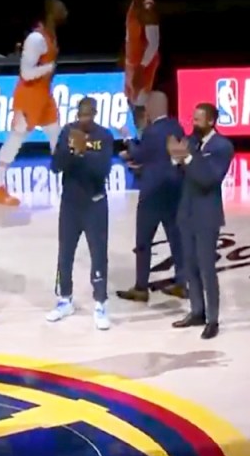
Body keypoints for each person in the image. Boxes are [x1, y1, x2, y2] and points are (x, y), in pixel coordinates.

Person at [0, 0, 68, 207]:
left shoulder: (50, 35)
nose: (65, 12)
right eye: (61, 8)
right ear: (50, 13)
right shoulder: (36, 38)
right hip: (29, 97)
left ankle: (71, 182)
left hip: (44, 95)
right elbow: (26, 73)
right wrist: (48, 68)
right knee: (16, 140)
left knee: (57, 136)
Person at [46, 97, 114, 330]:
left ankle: (100, 303)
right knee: (65, 253)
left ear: (94, 114)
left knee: (98, 254)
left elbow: (103, 170)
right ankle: (64, 299)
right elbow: (55, 166)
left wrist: (84, 153)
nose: (83, 119)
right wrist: (70, 151)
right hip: (70, 205)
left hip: (95, 205)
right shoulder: (67, 132)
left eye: (88, 115)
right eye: (80, 115)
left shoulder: (104, 136)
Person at [167, 103, 234, 340]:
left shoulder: (222, 146)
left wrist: (186, 158)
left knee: (206, 268)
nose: (193, 123)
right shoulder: (191, 142)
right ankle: (197, 311)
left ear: (211, 121)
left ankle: (212, 319)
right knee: (189, 266)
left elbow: (209, 179)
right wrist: (175, 159)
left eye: (198, 119)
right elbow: (179, 175)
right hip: (186, 213)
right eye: (193, 118)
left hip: (207, 216)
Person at [116, 91, 186, 302]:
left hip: (153, 194)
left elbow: (140, 155)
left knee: (144, 242)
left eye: (146, 107)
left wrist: (127, 138)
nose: (145, 111)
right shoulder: (176, 126)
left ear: (152, 108)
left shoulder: (152, 131)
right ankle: (182, 283)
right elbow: (161, 158)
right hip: (174, 192)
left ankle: (141, 287)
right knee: (176, 240)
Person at [125, 0, 160, 131]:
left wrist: (141, 67)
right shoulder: (133, 5)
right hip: (132, 63)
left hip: (142, 65)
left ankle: (148, 138)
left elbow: (153, 43)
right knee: (132, 103)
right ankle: (142, 137)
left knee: (141, 107)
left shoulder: (147, 7)